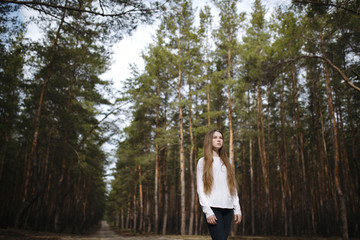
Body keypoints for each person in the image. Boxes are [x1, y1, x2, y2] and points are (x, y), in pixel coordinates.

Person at [196, 129, 242, 240]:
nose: (218, 140)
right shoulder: (203, 161)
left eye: (220, 138)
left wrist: (237, 209)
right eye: (215, 137)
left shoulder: (227, 162)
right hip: (213, 208)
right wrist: (208, 211)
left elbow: (232, 188)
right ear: (209, 140)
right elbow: (200, 188)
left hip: (228, 209)